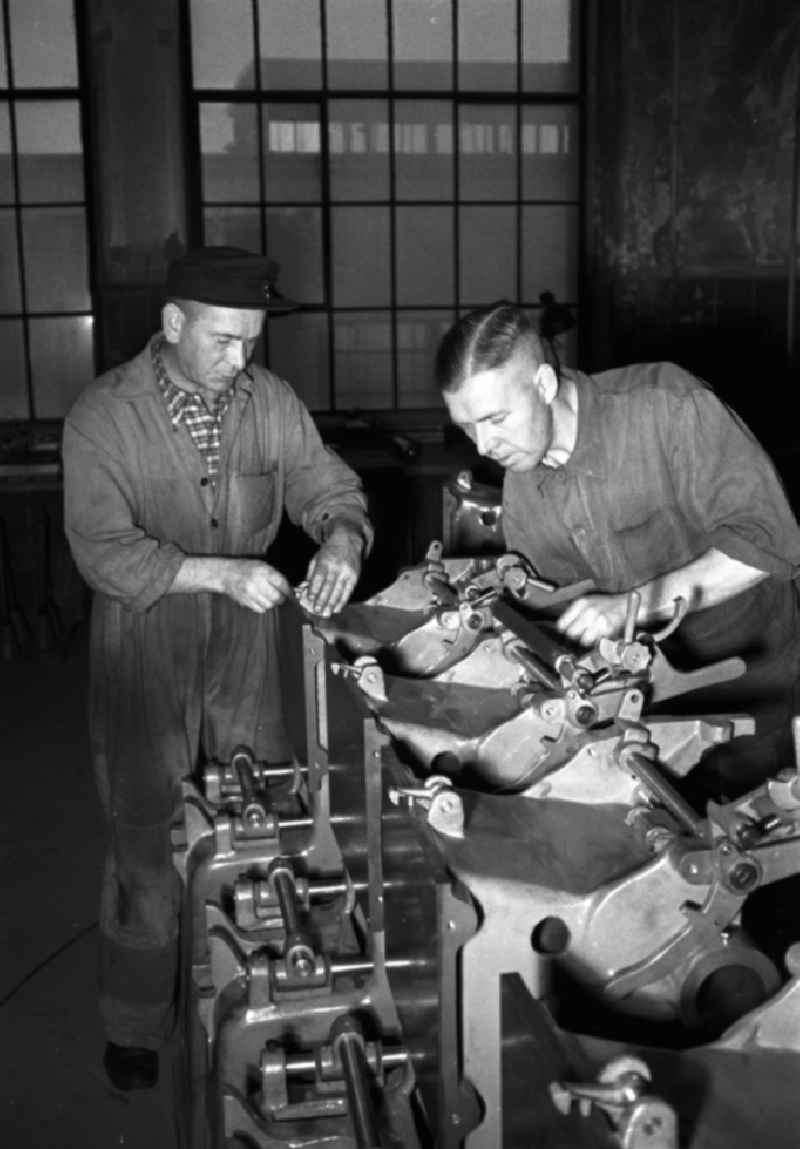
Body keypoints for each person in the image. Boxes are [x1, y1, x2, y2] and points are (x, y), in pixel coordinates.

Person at [62, 246, 372, 1091]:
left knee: (259, 814)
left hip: (245, 641)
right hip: (144, 638)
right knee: (145, 835)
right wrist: (219, 571)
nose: (243, 360)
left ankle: (258, 1004)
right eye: (227, 341)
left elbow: (325, 483)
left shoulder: (268, 403)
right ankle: (135, 1022)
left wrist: (342, 533)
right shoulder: (103, 414)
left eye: (252, 342)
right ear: (174, 325)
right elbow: (101, 546)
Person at [436, 301, 800, 801]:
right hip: (652, 720)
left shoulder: (664, 407)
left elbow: (772, 541)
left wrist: (639, 603)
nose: (482, 446)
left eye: (495, 419)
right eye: (467, 427)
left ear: (543, 384)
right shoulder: (523, 489)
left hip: (757, 692)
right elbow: (555, 619)